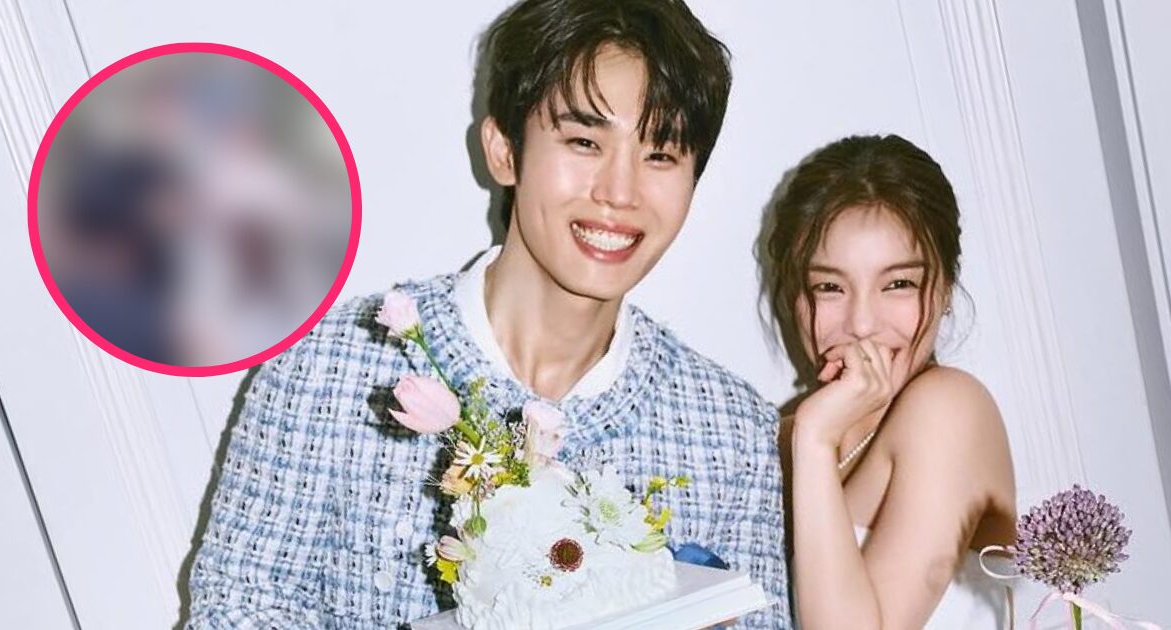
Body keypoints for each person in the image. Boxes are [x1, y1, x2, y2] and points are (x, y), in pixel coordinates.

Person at [187, 0, 790, 627]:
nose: (619, 191)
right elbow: (236, 610)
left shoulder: (732, 433)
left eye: (660, 154)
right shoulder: (332, 368)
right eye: (584, 142)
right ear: (504, 150)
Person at [757, 134, 1017, 629]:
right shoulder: (785, 437)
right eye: (829, 287)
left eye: (898, 284)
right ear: (796, 298)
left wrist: (815, 439)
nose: (860, 324)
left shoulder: (949, 409)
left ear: (945, 289)